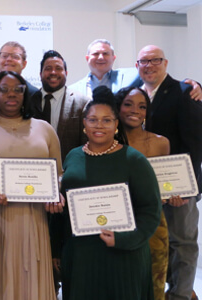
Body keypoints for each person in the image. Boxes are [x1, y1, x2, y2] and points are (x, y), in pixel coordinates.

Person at [0, 71, 63, 300]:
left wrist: (56, 193)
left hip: (36, 219)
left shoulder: (44, 129)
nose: (11, 94)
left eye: (18, 89)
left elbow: (57, 174)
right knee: (1, 281)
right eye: (4, 89)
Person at [52, 86, 161, 299]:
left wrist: (124, 240)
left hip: (122, 256)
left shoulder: (134, 160)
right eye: (92, 120)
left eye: (106, 120)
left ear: (116, 124)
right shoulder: (73, 156)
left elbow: (151, 211)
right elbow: (62, 209)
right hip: (81, 254)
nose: (99, 125)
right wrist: (56, 249)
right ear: (84, 124)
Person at [136, 45, 202, 300]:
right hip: (145, 186)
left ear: (165, 62)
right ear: (137, 65)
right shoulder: (134, 93)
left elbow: (194, 145)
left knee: (182, 243)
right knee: (153, 243)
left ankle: (181, 295)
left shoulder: (186, 92)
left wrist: (187, 188)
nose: (150, 65)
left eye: (156, 60)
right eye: (144, 61)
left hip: (178, 188)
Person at [116, 86, 172, 300]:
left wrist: (172, 195)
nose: (135, 111)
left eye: (142, 106)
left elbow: (166, 183)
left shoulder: (161, 142)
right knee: (122, 279)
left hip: (154, 223)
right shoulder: (109, 143)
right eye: (128, 104)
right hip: (119, 220)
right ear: (118, 108)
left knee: (154, 277)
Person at [70, 39, 202, 100]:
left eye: (105, 54)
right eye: (95, 54)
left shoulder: (133, 74)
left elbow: (160, 77)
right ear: (87, 58)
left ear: (113, 58)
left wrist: (191, 83)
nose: (100, 57)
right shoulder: (73, 89)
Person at [31, 50, 90, 161]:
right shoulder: (29, 100)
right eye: (48, 69)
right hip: (33, 169)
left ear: (66, 73)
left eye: (58, 68)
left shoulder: (82, 103)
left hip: (68, 170)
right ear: (40, 74)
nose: (53, 72)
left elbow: (86, 144)